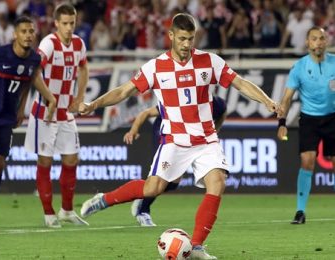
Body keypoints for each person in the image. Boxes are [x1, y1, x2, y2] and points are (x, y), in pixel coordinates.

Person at [79, 13, 279, 259]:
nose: (187, 44)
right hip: (174, 140)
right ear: (171, 36)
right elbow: (124, 90)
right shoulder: (156, 67)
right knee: (153, 188)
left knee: (217, 182)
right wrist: (93, 104)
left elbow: (240, 83)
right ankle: (104, 199)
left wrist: (267, 100)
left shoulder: (209, 62)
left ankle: (195, 247)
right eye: (182, 38)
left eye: (191, 39)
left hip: (206, 139)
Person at [0, 16, 56, 230]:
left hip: (6, 117)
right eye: (24, 31)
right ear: (15, 34)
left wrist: (21, 108)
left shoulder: (34, 60)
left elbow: (29, 81)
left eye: (31, 31)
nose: (28, 35)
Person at [24, 3, 89, 228]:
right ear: (56, 23)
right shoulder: (49, 43)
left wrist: (79, 96)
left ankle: (67, 211)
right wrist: (49, 98)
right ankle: (49, 213)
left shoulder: (79, 43)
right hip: (45, 111)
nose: (69, 28)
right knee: (45, 161)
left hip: (64, 112)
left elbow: (83, 68)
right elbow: (34, 71)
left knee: (72, 158)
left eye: (72, 23)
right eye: (65, 23)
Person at [124, 96, 227, 227]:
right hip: (167, 134)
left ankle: (143, 198)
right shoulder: (182, 99)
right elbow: (147, 112)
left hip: (187, 137)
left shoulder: (217, 104)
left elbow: (222, 113)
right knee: (166, 178)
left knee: (172, 184)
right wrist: (133, 130)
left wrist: (213, 133)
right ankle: (143, 210)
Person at [277, 27, 335, 224]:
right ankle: (300, 211)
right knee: (307, 161)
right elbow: (286, 98)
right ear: (308, 43)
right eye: (314, 39)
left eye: (321, 38)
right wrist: (282, 122)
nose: (318, 42)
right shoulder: (299, 67)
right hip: (309, 119)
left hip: (333, 118)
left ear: (326, 42)